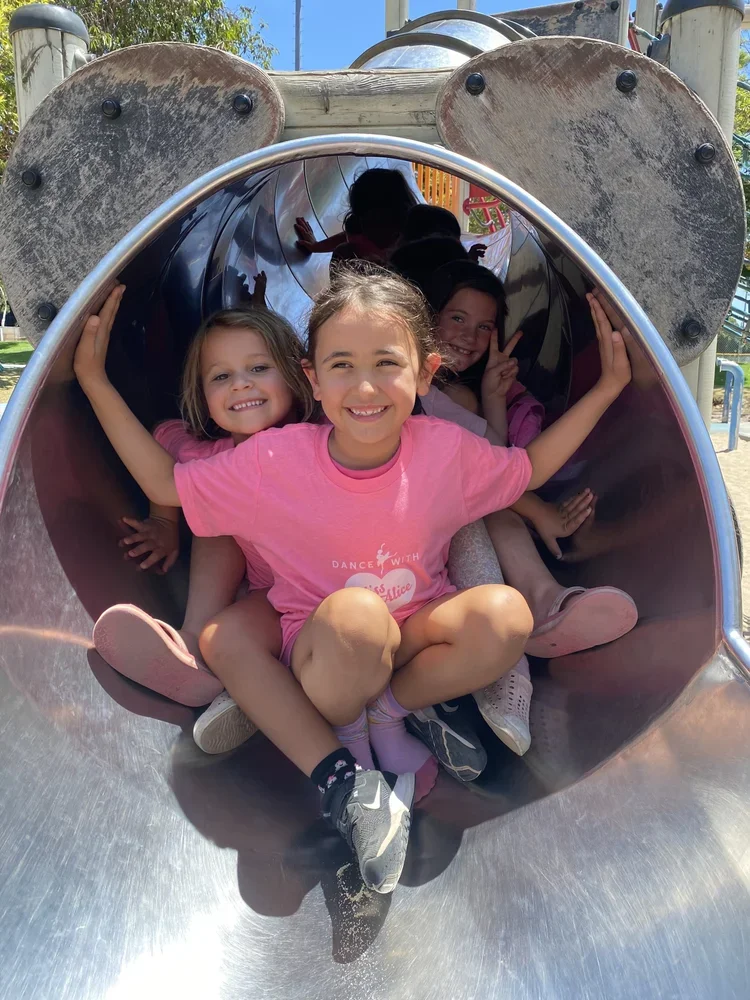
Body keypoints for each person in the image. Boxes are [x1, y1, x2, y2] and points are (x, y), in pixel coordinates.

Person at [74, 266, 632, 888]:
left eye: (386, 363)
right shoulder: (273, 461)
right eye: (340, 365)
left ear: (425, 372)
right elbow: (164, 484)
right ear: (312, 378)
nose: (365, 386)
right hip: (324, 647)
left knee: (505, 616)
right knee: (355, 615)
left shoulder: (444, 449)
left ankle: (390, 712)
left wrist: (608, 387)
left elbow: (525, 470)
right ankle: (346, 768)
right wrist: (93, 381)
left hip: (414, 631)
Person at [78, 287, 417, 896]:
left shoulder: (318, 444)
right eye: (222, 375)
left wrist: (95, 381)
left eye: (259, 368)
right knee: (219, 569)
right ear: (202, 393)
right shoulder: (210, 454)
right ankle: (207, 664)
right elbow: (165, 447)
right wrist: (162, 519)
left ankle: (240, 688)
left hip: (344, 607)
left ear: (296, 376)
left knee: (215, 506)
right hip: (274, 605)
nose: (242, 384)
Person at [422, 260, 638, 753]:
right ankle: (509, 660)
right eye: (456, 318)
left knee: (486, 507)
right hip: (400, 535)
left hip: (459, 521)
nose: (470, 336)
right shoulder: (404, 386)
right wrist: (538, 511)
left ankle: (543, 604)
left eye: (484, 326)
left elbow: (494, 465)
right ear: (424, 317)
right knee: (479, 510)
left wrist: (493, 397)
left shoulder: (460, 394)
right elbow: (477, 475)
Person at [294, 167, 417, 269]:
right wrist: (316, 246)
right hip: (371, 285)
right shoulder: (364, 230)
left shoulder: (409, 239)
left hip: (398, 286)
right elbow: (348, 238)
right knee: (344, 251)